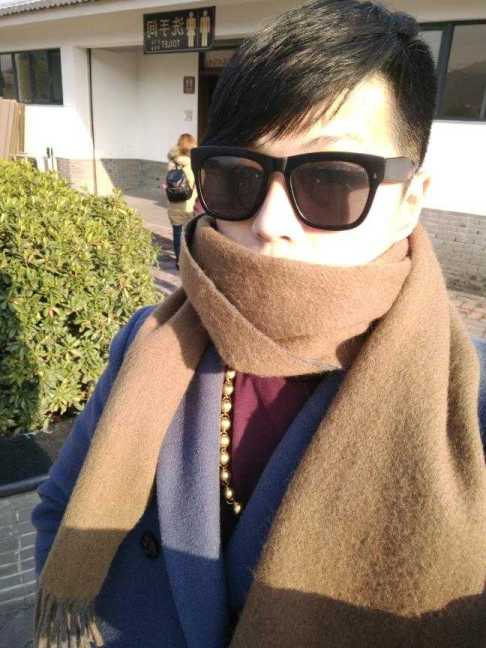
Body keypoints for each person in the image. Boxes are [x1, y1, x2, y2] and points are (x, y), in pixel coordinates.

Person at [32, 1, 486, 647]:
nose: (270, 222)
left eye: (330, 180)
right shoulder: (150, 340)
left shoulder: (471, 405)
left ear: (411, 199)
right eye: (237, 176)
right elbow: (62, 507)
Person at [166, 132, 197, 268]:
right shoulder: (194, 164)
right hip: (189, 205)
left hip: (174, 204)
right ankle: (189, 260)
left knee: (177, 234)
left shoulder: (172, 162)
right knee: (189, 234)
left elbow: (168, 183)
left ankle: (179, 261)